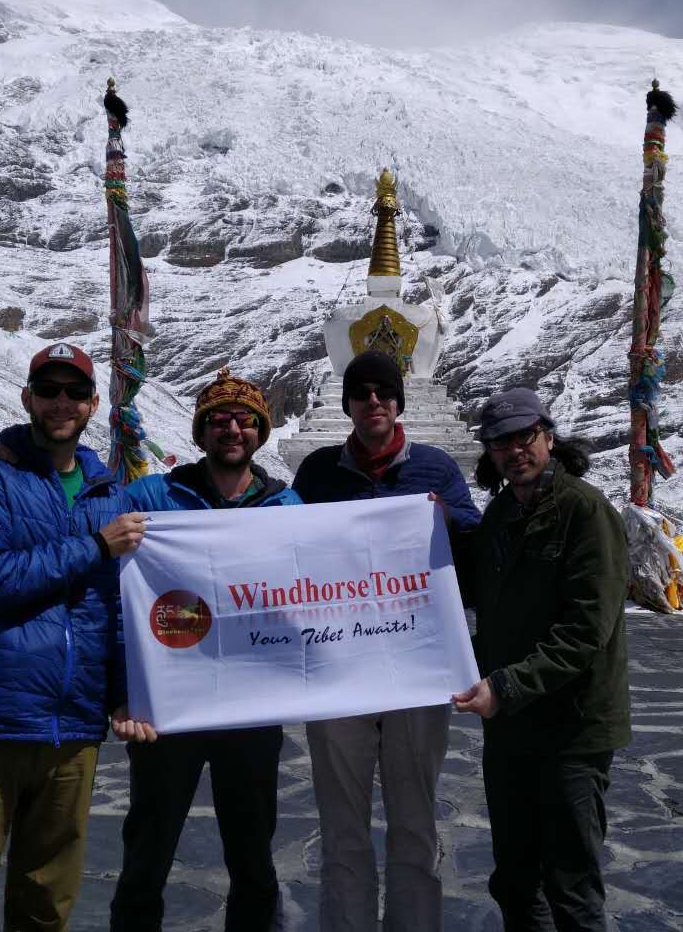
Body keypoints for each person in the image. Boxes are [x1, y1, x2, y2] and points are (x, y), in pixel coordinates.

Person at [0, 342, 147, 932]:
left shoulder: (110, 494)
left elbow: (119, 609)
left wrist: (125, 693)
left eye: (75, 392)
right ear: (28, 398)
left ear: (94, 404)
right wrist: (94, 545)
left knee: (48, 907)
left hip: (72, 730)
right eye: (49, 390)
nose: (61, 402)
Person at [292, 350, 480, 932]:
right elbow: (285, 550)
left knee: (415, 823)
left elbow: (473, 545)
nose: (373, 401)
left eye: (383, 391)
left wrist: (444, 518)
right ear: (346, 402)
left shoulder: (436, 469)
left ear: (399, 400)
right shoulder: (317, 472)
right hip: (339, 671)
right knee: (342, 826)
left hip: (414, 671)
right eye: (361, 391)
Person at [109, 368, 300, 932]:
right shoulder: (151, 495)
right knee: (148, 847)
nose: (233, 429)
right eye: (219, 420)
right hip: (170, 705)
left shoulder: (287, 508)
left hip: (251, 705)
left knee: (252, 853)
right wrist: (124, 689)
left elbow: (315, 590)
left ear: (261, 431)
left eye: (245, 420)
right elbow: (116, 586)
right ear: (201, 432)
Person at [452, 387, 631, 932]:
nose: (513, 451)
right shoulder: (501, 513)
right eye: (499, 443)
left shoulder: (585, 510)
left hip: (572, 729)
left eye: (523, 437)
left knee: (571, 884)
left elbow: (585, 630)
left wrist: (503, 686)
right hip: (511, 730)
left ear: (548, 438)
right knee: (514, 879)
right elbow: (485, 603)